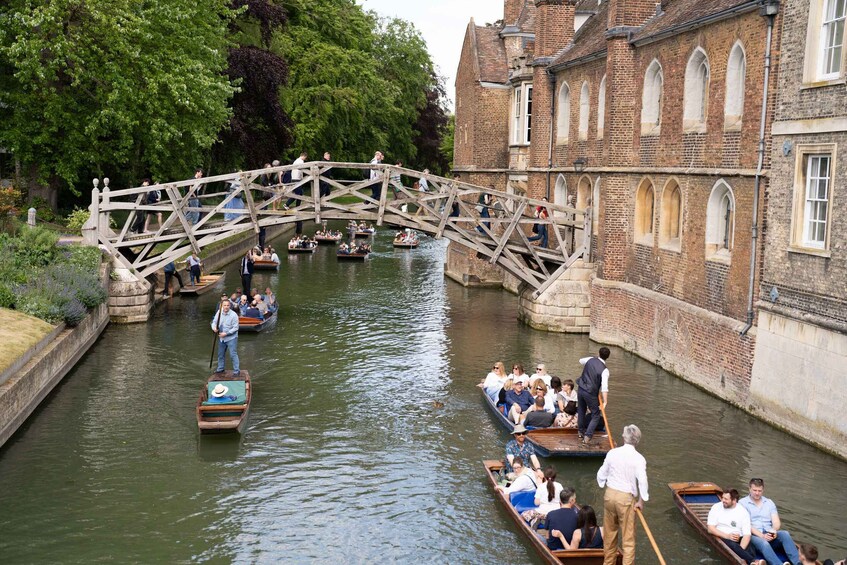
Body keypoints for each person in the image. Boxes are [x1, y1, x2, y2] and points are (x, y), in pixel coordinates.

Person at [596, 424, 649, 565]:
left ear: (623, 437)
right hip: (625, 499)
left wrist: (602, 483)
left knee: (609, 536)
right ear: (637, 440)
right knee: (628, 540)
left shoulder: (612, 453)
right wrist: (641, 501)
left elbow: (601, 474)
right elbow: (642, 482)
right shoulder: (639, 458)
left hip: (610, 495)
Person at [739, 478, 801, 565]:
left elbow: (776, 522)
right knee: (764, 543)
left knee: (785, 534)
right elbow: (746, 525)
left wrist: (773, 531)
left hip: (769, 533)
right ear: (749, 489)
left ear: (763, 490)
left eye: (759, 491)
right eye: (754, 490)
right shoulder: (742, 503)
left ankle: (798, 563)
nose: (757, 493)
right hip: (753, 536)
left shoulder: (769, 502)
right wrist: (762, 536)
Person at [707, 489, 766, 565]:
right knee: (733, 545)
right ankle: (753, 561)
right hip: (723, 536)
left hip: (739, 538)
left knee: (750, 547)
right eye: (722, 497)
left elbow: (747, 535)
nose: (722, 500)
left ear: (734, 500)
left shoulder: (743, 511)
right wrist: (727, 536)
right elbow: (710, 529)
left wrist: (740, 550)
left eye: (726, 499)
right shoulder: (716, 507)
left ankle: (752, 562)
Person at [577, 346, 611, 445]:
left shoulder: (590, 359)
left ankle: (580, 432)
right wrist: (605, 402)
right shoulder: (605, 370)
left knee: (581, 410)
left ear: (598, 353)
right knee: (596, 415)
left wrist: (592, 360)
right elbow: (604, 388)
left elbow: (580, 361)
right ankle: (587, 437)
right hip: (590, 392)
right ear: (607, 357)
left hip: (581, 388)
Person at [211, 299, 240, 377]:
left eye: (228, 305)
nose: (226, 307)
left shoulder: (234, 315)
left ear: (230, 306)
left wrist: (226, 334)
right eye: (224, 305)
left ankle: (236, 371)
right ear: (221, 306)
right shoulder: (219, 313)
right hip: (222, 338)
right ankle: (220, 369)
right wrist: (214, 328)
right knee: (220, 354)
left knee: (233, 354)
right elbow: (214, 322)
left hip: (231, 338)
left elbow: (236, 328)